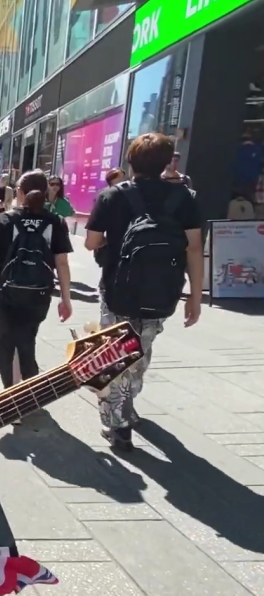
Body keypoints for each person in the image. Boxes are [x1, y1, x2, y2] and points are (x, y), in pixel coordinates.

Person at [85, 133, 203, 452]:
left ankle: (118, 425)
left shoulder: (112, 196)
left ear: (130, 161)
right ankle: (129, 402)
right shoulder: (185, 198)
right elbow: (194, 248)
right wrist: (195, 296)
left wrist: (114, 240)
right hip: (162, 292)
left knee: (114, 354)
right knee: (142, 348)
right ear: (167, 163)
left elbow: (91, 242)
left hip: (117, 290)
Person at [0, 170, 73, 402]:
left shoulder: (4, 219)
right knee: (27, 338)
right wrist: (66, 299)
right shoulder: (56, 222)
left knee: (5, 341)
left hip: (5, 292)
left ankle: (11, 393)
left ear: (20, 193)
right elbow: (62, 263)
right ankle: (30, 389)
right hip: (38, 293)